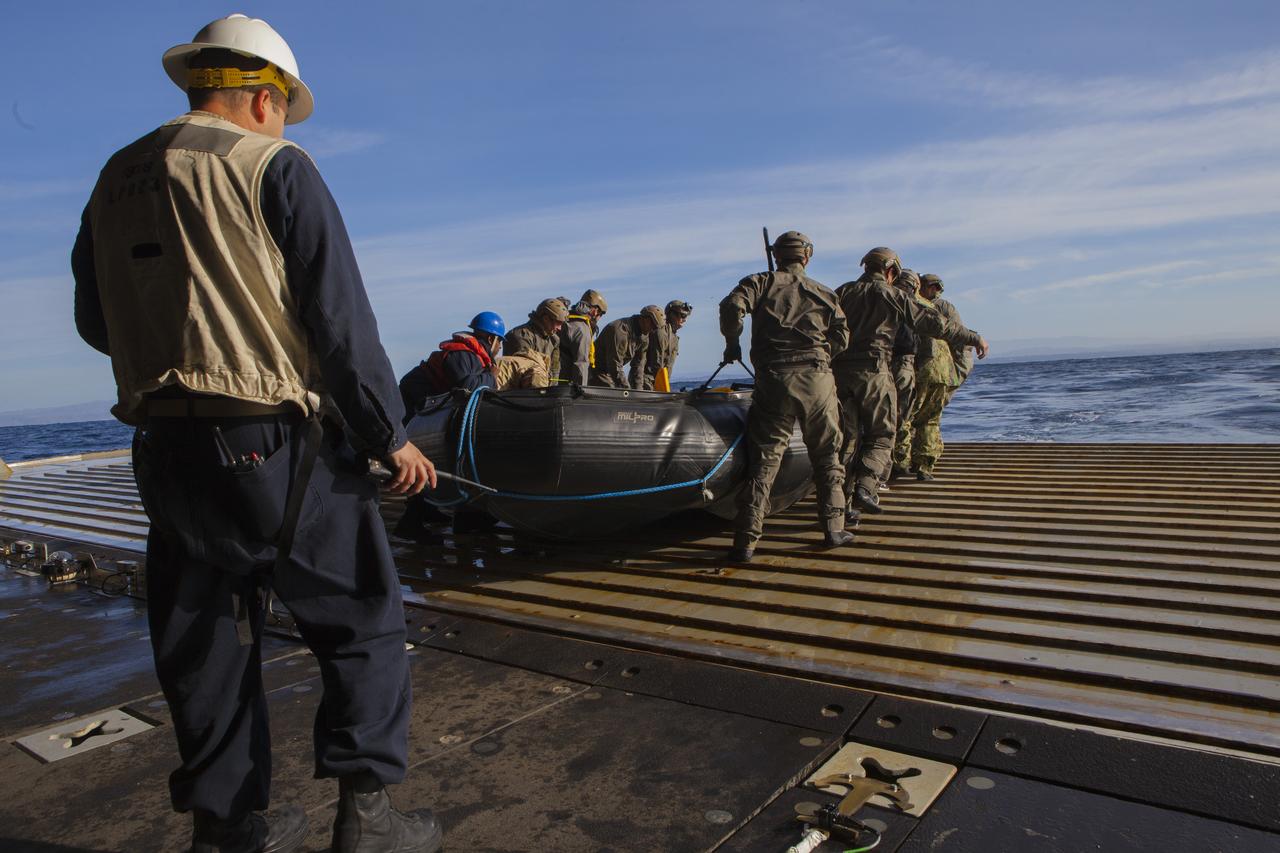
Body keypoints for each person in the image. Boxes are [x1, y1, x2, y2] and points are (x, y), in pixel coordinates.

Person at [70, 15, 441, 853]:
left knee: (203, 640)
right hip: (275, 447)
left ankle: (230, 829)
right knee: (361, 623)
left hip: (163, 446)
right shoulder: (275, 166)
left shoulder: (115, 175)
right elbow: (341, 324)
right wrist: (392, 438)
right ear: (265, 99)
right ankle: (369, 820)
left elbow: (98, 319)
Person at [719, 231, 854, 562]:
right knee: (827, 456)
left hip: (775, 380)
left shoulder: (760, 283)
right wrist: (821, 358)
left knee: (765, 461)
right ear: (806, 256)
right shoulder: (825, 292)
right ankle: (834, 528)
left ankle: (745, 542)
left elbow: (731, 305)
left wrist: (732, 342)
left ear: (777, 255)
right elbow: (842, 336)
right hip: (818, 381)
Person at [833, 249, 987, 515]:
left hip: (838, 373)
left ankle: (841, 506)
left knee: (848, 439)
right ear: (891, 271)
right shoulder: (891, 295)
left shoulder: (841, 293)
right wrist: (974, 338)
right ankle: (866, 486)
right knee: (883, 434)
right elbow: (936, 324)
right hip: (874, 372)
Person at [898, 274, 984, 480]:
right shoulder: (931, 307)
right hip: (940, 370)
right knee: (929, 419)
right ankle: (924, 467)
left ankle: (901, 462)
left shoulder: (911, 304)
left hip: (922, 369)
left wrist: (957, 378)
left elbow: (960, 343)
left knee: (906, 416)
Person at [398, 312, 505, 416]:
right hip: (409, 396)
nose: (500, 347)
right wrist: (491, 376)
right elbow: (466, 388)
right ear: (491, 339)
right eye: (500, 341)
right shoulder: (463, 354)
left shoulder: (470, 354)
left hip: (418, 395)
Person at [888, 271, 921, 480]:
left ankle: (893, 462)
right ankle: (898, 462)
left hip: (883, 362)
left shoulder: (882, 299)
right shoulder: (909, 303)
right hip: (902, 363)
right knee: (902, 415)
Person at [594, 305, 663, 388]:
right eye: (653, 325)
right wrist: (626, 390)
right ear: (645, 319)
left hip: (610, 372)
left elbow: (639, 366)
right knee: (614, 395)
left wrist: (638, 392)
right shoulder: (620, 331)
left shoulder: (644, 336)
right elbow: (614, 365)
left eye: (655, 328)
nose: (653, 330)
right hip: (596, 370)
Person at [504, 298, 567, 381]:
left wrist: (551, 391)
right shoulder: (521, 335)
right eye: (558, 323)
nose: (560, 328)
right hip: (520, 391)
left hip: (542, 390)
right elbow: (523, 371)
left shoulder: (554, 340)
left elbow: (554, 371)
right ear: (546, 319)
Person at [634, 300, 692, 390]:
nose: (684, 320)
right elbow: (657, 363)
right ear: (672, 315)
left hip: (658, 383)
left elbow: (668, 366)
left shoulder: (674, 337)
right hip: (646, 382)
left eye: (686, 316)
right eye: (682, 315)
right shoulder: (660, 332)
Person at [559, 289, 608, 385]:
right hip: (566, 389)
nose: (599, 318)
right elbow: (581, 363)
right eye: (600, 314)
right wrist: (581, 391)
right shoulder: (582, 329)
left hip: (554, 383)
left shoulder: (567, 322)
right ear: (595, 311)